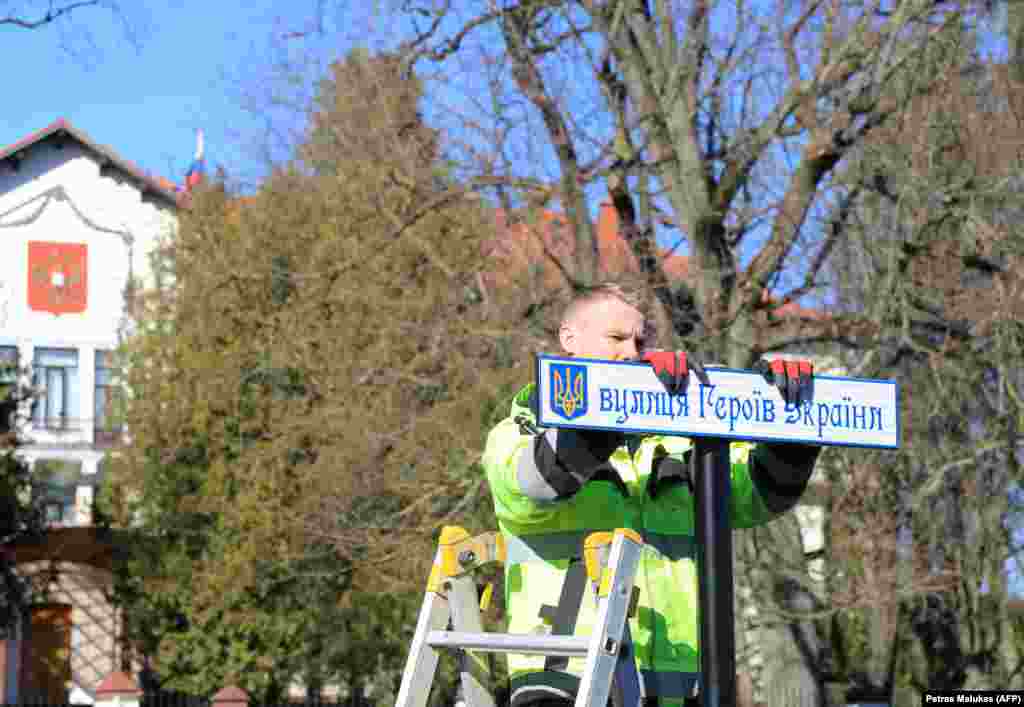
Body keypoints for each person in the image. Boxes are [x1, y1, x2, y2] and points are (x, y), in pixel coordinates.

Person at [481, 282, 820, 707]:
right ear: (569, 340)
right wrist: (608, 412)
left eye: (640, 342)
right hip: (568, 675)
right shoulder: (520, 430)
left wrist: (792, 430)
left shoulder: (680, 440)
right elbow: (538, 482)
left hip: (681, 680)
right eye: (617, 339)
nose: (632, 352)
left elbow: (760, 495)